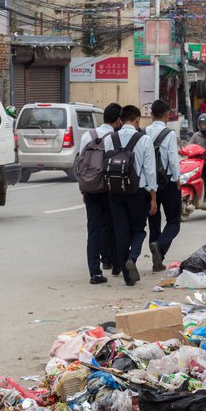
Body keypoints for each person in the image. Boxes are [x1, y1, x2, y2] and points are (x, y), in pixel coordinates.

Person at [106, 106, 158, 286]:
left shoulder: (110, 139)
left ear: (120, 120)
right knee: (138, 229)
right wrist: (153, 197)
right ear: (136, 120)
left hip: (115, 191)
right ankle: (132, 258)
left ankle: (128, 277)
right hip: (137, 192)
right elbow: (150, 171)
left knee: (121, 233)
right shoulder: (144, 139)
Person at [79, 103, 122, 284]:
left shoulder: (88, 135)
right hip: (109, 188)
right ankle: (112, 261)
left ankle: (94, 272)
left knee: (94, 229)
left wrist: (83, 188)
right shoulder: (115, 137)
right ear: (118, 120)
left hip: (90, 187)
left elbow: (81, 162)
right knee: (113, 226)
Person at [146, 99, 181, 273]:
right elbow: (173, 160)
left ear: (151, 114)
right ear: (167, 114)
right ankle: (159, 248)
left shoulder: (144, 132)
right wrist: (177, 179)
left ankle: (156, 262)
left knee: (154, 221)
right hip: (167, 181)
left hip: (148, 183)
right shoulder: (170, 134)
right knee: (174, 221)